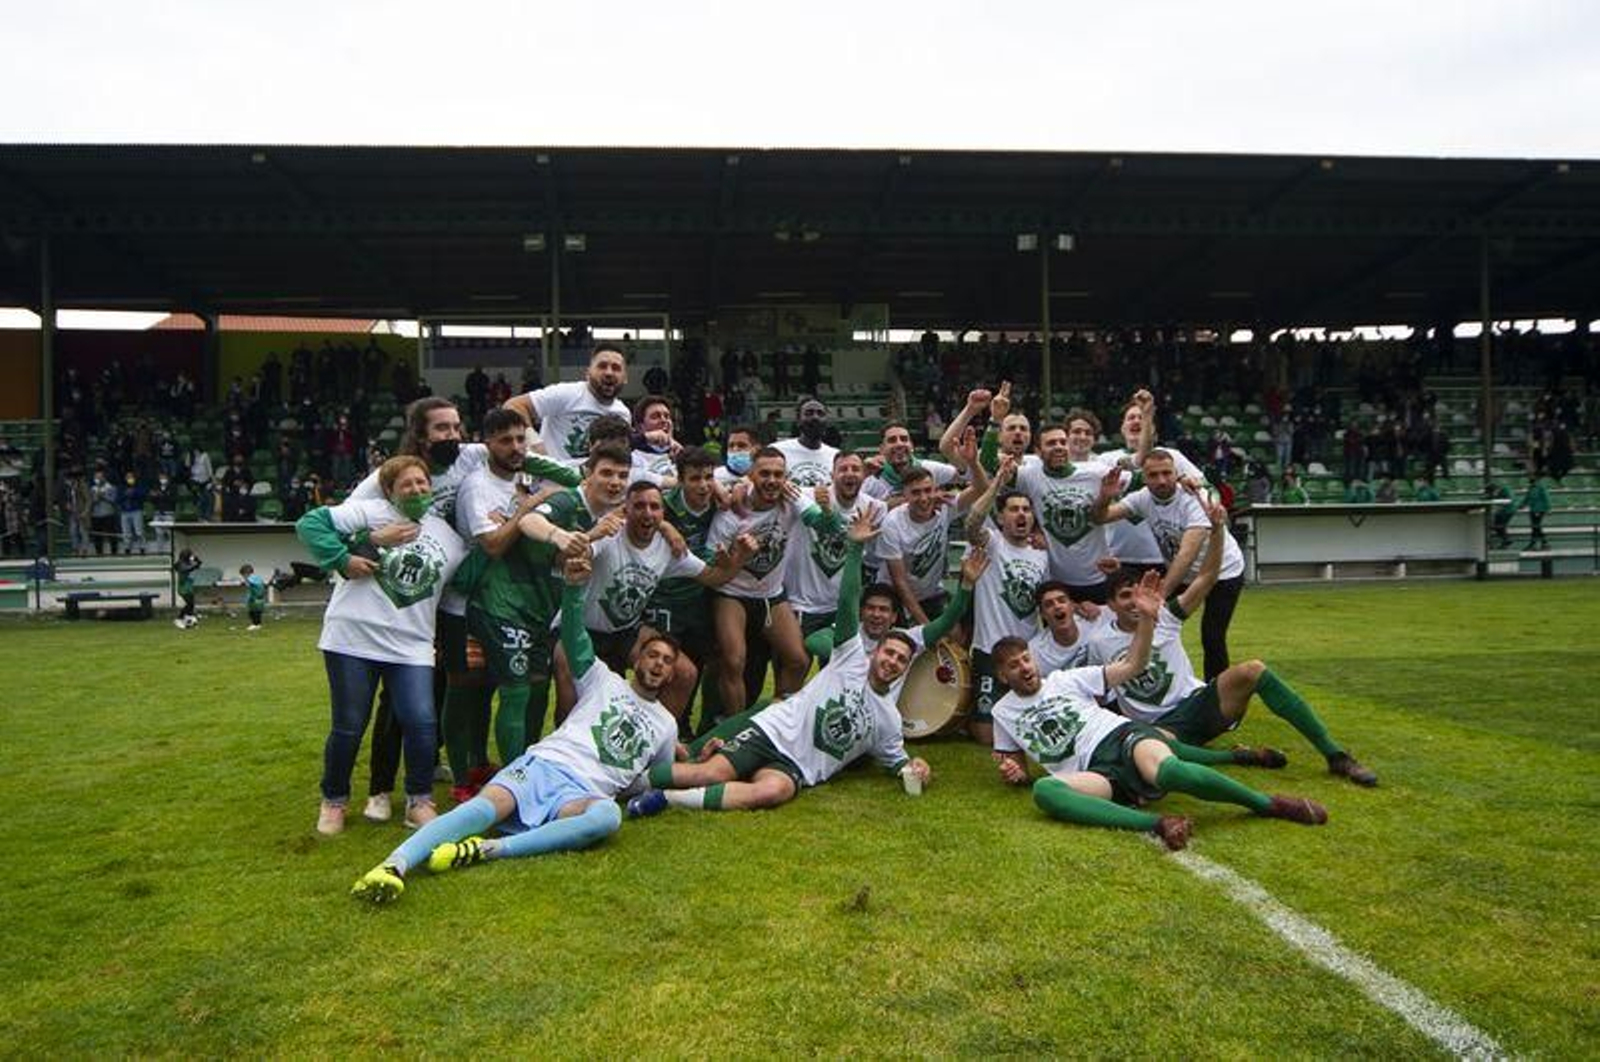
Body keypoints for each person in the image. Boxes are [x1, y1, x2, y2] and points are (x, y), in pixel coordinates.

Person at [349, 552, 680, 904]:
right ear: (638, 659)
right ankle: (392, 865)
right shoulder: (603, 679)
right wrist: (572, 589)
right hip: (545, 764)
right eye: (652, 655)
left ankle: (491, 849)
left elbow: (654, 774)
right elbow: (573, 633)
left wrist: (702, 751)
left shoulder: (666, 725)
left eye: (667, 661)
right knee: (480, 810)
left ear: (673, 673)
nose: (658, 664)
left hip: (582, 794)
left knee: (608, 817)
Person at [988, 573, 1330, 853]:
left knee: (1168, 771)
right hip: (1094, 772)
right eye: (1013, 666)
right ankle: (1158, 823)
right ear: (1003, 676)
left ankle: (1265, 803)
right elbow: (1013, 761)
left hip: (1119, 736)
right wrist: (1014, 772)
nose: (1024, 668)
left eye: (1026, 660)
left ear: (1033, 660)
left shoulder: (1065, 679)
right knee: (1046, 792)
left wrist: (1148, 621)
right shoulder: (1002, 713)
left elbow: (1135, 665)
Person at [626, 513, 931, 815]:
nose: (893, 661)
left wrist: (916, 766)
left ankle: (666, 799)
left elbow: (898, 762)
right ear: (875, 653)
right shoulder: (850, 659)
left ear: (906, 668)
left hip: (797, 766)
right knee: (711, 773)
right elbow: (849, 602)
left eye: (901, 659)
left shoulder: (889, 718)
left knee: (773, 791)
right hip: (773, 732)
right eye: (889, 653)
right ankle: (624, 782)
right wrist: (854, 550)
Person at [1087, 500, 1377, 787]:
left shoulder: (1166, 616)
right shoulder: (1098, 642)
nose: (1135, 602)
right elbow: (1094, 689)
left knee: (1253, 670)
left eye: (1138, 593)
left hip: (1197, 704)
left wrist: (1217, 530)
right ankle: (1238, 757)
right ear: (1110, 604)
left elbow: (1208, 577)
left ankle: (1335, 754)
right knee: (1150, 743)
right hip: (1159, 727)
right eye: (1125, 596)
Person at [295, 455, 469, 835]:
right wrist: (354, 550)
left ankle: (419, 801)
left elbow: (472, 574)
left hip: (412, 644)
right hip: (353, 638)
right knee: (349, 726)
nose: (417, 490)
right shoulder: (369, 512)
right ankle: (334, 800)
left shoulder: (447, 536)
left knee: (422, 722)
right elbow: (310, 523)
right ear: (389, 489)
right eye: (407, 484)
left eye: (422, 483)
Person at [438, 407, 574, 799]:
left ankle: (491, 764)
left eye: (520, 439)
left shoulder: (524, 475)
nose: (515, 447)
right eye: (505, 441)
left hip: (511, 601)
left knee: (508, 686)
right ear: (486, 445)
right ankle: (464, 775)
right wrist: (528, 509)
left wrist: (526, 456)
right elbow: (494, 545)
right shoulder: (478, 486)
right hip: (464, 602)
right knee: (466, 687)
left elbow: (574, 478)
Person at [1091, 448, 1247, 680]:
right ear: (1144, 477)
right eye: (1153, 475)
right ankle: (1153, 679)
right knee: (1154, 626)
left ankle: (1218, 697)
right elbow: (1100, 517)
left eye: (1167, 473)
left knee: (1212, 636)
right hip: (1185, 575)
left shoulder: (1195, 499)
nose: (1161, 480)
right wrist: (1105, 496)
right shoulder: (1142, 497)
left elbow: (1187, 554)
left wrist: (1161, 595)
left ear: (1177, 473)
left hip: (1224, 571)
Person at [705, 447, 839, 716]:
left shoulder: (791, 498)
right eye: (764, 473)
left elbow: (824, 525)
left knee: (798, 659)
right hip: (732, 592)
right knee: (734, 660)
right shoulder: (733, 511)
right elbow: (710, 562)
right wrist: (732, 556)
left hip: (770, 594)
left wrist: (825, 508)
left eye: (778, 474)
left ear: (786, 477)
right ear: (751, 475)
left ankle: (777, 718)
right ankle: (736, 727)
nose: (772, 480)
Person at [963, 454, 1049, 746]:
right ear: (1001, 517)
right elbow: (972, 522)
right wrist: (998, 481)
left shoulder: (1041, 554)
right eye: (1013, 510)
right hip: (990, 651)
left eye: (1026, 510)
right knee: (986, 736)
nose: (1021, 515)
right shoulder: (991, 543)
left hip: (1028, 651)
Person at [878, 430, 986, 625]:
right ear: (905, 495)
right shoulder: (892, 523)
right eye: (916, 493)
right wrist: (926, 627)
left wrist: (973, 463)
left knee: (955, 636)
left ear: (936, 490)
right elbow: (900, 582)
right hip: (894, 594)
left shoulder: (944, 506)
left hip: (930, 592)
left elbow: (981, 489)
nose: (924, 498)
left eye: (928, 491)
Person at [788, 451, 888, 661]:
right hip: (804, 604)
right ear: (832, 475)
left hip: (842, 607)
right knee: (796, 666)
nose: (849, 473)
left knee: (838, 674)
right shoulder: (809, 496)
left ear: (865, 475)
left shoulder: (875, 508)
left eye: (855, 469)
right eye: (843, 469)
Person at [1013, 420, 1113, 603]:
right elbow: (990, 466)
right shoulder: (1029, 476)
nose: (1058, 447)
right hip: (1055, 583)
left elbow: (1141, 479)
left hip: (1098, 578)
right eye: (1051, 443)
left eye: (1062, 442)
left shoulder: (1097, 473)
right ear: (1037, 451)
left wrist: (1180, 477)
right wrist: (994, 423)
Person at [504, 344, 630, 462]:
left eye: (616, 368)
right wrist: (533, 441)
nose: (609, 372)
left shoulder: (622, 414)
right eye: (602, 366)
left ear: (625, 378)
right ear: (587, 373)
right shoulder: (567, 393)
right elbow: (513, 405)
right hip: (553, 479)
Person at [1026, 581, 1113, 673]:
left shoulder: (1096, 616)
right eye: (1049, 604)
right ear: (1042, 614)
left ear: (1072, 606)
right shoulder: (1034, 653)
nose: (1057, 606)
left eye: (1062, 600)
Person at [772, 397, 838, 487]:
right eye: (809, 413)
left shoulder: (836, 456)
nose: (815, 417)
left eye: (820, 413)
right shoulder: (777, 451)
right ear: (798, 421)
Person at [1513, 474, 1552, 550]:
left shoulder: (1540, 487)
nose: (1530, 478)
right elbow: (1527, 498)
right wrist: (1520, 506)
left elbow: (1546, 498)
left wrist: (1548, 509)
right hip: (1533, 510)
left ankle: (1536, 544)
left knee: (1536, 527)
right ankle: (1542, 544)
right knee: (1536, 527)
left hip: (1539, 510)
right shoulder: (1531, 487)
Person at [173, 548, 202, 629]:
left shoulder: (187, 563)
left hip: (188, 586)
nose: (190, 557)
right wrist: (194, 564)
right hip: (183, 587)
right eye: (190, 555)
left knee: (191, 604)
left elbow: (198, 565)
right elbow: (185, 569)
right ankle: (178, 619)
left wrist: (197, 560)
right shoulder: (179, 564)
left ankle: (188, 619)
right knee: (189, 603)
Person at [241, 563, 267, 631]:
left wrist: (247, 581)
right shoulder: (257, 577)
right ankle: (258, 624)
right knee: (258, 612)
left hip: (254, 598)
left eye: (243, 575)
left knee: (253, 612)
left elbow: (251, 583)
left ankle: (254, 624)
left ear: (246, 573)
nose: (243, 577)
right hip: (260, 597)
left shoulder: (251, 578)